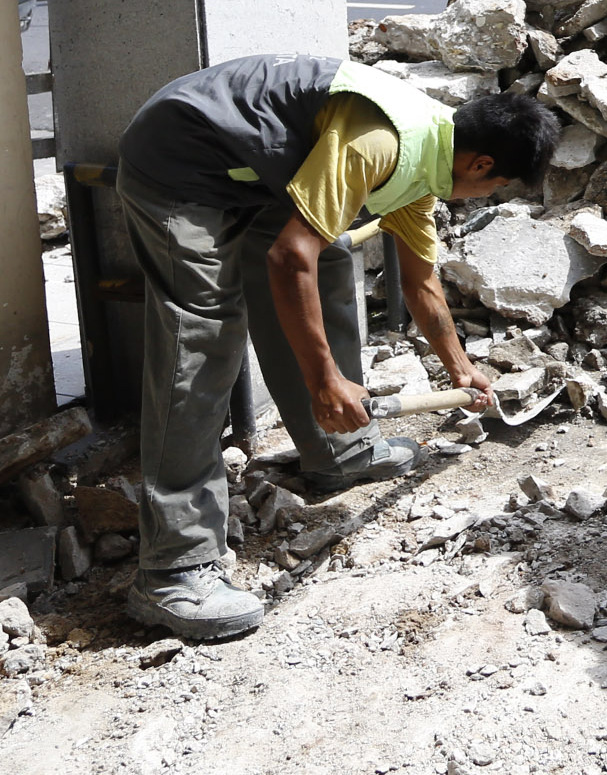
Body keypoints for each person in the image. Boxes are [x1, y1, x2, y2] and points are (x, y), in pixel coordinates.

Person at [114, 54, 560, 640]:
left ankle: (338, 448)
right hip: (178, 160)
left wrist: (461, 369)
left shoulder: (424, 166)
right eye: (494, 185)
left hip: (255, 169)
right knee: (203, 334)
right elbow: (285, 257)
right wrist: (325, 378)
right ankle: (173, 568)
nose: (480, 196)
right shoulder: (381, 143)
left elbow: (422, 282)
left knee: (325, 258)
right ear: (480, 163)